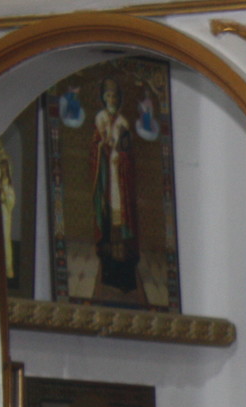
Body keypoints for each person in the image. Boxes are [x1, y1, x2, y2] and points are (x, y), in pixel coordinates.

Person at [89, 77, 140, 296]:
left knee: (123, 223)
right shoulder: (99, 119)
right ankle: (109, 270)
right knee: (109, 221)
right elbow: (95, 149)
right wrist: (102, 147)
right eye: (108, 95)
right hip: (107, 177)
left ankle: (126, 277)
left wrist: (121, 154)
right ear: (103, 98)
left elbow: (127, 149)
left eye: (114, 96)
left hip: (120, 178)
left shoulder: (123, 122)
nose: (111, 99)